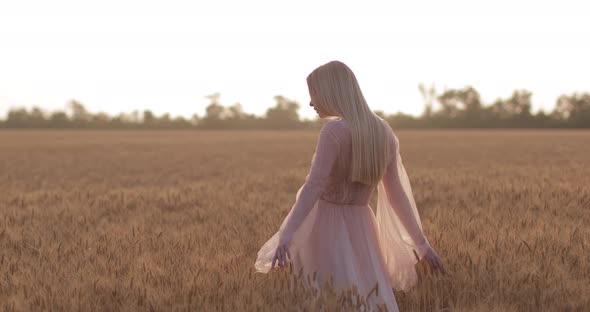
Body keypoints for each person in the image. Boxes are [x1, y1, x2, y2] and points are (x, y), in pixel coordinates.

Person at [254, 60, 445, 311]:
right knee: (367, 297)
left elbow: (313, 187)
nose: (311, 102)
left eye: (314, 94)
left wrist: (287, 234)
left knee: (327, 299)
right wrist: (422, 244)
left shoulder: (333, 132)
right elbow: (396, 194)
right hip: (363, 228)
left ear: (332, 91)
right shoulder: (383, 131)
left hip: (323, 228)